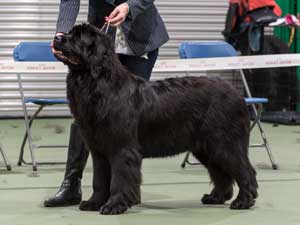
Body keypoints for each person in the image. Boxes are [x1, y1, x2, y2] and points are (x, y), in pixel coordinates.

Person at [44, 0, 169, 207]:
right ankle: (71, 183)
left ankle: (126, 190)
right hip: (97, 41)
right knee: (85, 114)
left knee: (130, 119)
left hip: (141, 35)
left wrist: (129, 6)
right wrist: (62, 33)